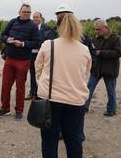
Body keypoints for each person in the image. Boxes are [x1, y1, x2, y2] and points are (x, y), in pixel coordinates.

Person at [35, 13, 91, 158]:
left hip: (50, 100)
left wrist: (43, 85)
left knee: (49, 140)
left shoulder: (49, 45)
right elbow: (85, 74)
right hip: (75, 101)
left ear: (58, 28)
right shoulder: (84, 49)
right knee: (74, 140)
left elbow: (38, 69)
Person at [0, 3, 39, 120]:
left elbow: (37, 42)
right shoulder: (12, 22)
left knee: (20, 87)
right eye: (24, 12)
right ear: (19, 12)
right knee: (5, 85)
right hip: (9, 58)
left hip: (23, 60)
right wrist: (7, 39)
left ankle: (19, 111)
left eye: (28, 12)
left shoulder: (33, 26)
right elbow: (2, 35)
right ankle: (5, 109)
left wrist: (23, 44)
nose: (27, 14)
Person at [85, 19, 121, 116]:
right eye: (95, 29)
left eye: (99, 29)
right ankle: (84, 107)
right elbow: (92, 51)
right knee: (88, 88)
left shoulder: (115, 38)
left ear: (106, 27)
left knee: (110, 91)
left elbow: (119, 53)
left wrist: (101, 53)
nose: (97, 31)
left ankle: (111, 110)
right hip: (96, 69)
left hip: (110, 70)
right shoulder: (95, 38)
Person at [25, 12, 52, 100]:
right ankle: (32, 92)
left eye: (37, 17)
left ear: (41, 18)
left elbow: (49, 42)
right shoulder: (30, 27)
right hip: (31, 55)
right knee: (32, 74)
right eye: (34, 17)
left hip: (42, 55)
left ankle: (39, 94)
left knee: (41, 74)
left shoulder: (47, 29)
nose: (35, 19)